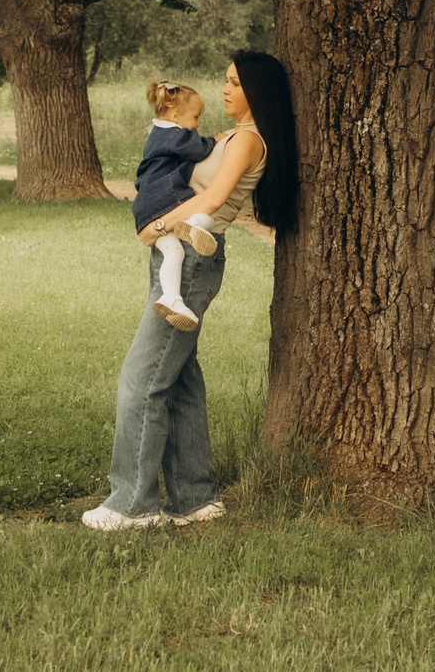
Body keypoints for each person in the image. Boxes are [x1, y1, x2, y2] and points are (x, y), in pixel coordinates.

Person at [84, 50, 300, 532]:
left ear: (256, 93)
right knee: (179, 377)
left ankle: (131, 507)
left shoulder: (248, 141)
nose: (225, 90)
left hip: (194, 256)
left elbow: (214, 198)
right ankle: (194, 498)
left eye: (235, 84)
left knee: (142, 378)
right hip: (179, 254)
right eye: (224, 81)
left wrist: (154, 223)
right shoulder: (229, 136)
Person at [133, 80, 218, 331]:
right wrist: (215, 140)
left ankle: (171, 298)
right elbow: (198, 149)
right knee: (205, 214)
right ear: (176, 115)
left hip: (147, 209)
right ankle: (191, 225)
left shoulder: (160, 133)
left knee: (174, 252)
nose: (197, 124)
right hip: (164, 199)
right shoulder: (172, 134)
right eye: (195, 117)